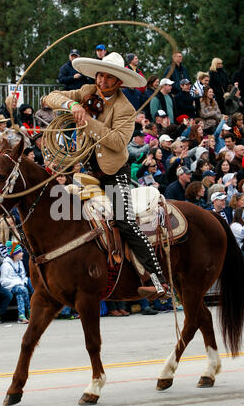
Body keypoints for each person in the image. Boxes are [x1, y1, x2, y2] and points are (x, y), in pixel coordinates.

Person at [45, 51, 170, 298]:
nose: (102, 81)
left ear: (119, 82)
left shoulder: (125, 109)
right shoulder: (87, 91)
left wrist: (86, 119)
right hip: (88, 172)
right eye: (100, 75)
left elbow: (116, 141)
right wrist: (72, 105)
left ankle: (158, 280)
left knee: (125, 222)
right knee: (64, 210)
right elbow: (50, 97)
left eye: (108, 78)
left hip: (115, 175)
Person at [0, 241, 33, 324]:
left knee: (21, 292)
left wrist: (23, 282)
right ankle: (29, 312)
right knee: (22, 290)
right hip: (10, 286)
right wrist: (16, 283)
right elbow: (3, 281)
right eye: (20, 252)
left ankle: (22, 315)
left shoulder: (20, 263)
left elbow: (23, 276)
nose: (22, 253)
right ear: (14, 254)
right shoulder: (6, 265)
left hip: (20, 286)